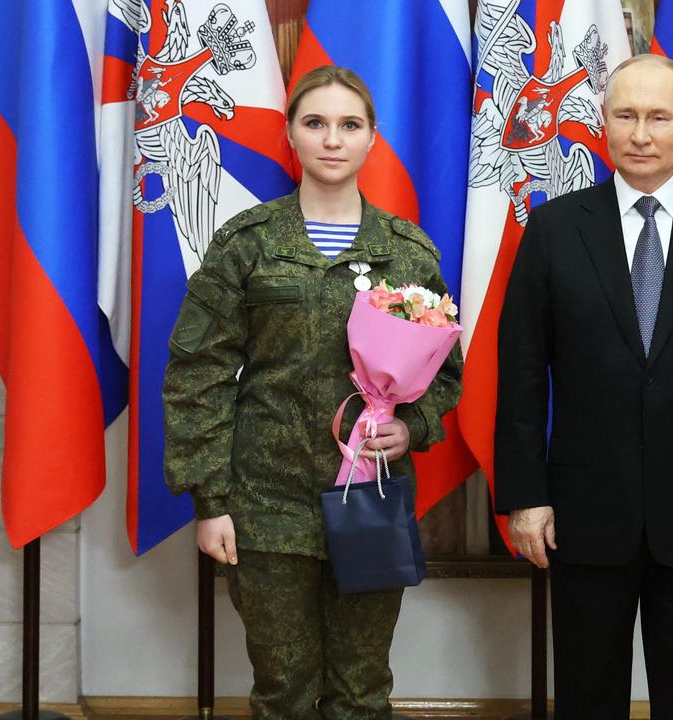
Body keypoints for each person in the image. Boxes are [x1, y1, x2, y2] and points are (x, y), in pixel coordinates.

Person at [494, 53, 673, 719]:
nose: (641, 132)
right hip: (580, 512)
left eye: (659, 116)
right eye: (625, 115)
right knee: (586, 692)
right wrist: (525, 495)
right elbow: (519, 376)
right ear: (601, 123)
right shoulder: (553, 230)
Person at [162, 65, 462, 719]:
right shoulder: (248, 245)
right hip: (268, 503)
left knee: (362, 691)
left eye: (349, 125)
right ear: (291, 136)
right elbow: (196, 373)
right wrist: (211, 500)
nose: (332, 139)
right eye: (315, 123)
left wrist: (413, 426)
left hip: (372, 500)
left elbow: (446, 374)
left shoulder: (407, 254)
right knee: (284, 693)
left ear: (371, 140)